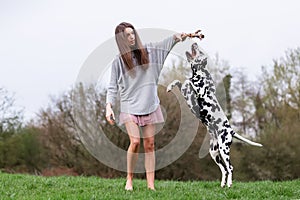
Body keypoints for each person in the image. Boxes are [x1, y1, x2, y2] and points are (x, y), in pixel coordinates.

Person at [105, 22, 188, 191]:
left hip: (150, 104)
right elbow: (112, 86)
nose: (131, 37)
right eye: (127, 35)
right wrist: (109, 106)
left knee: (149, 144)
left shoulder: (149, 51)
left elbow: (166, 43)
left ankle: (151, 185)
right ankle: (129, 178)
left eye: (132, 33)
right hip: (129, 107)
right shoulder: (118, 62)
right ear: (121, 40)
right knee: (135, 142)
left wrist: (179, 37)